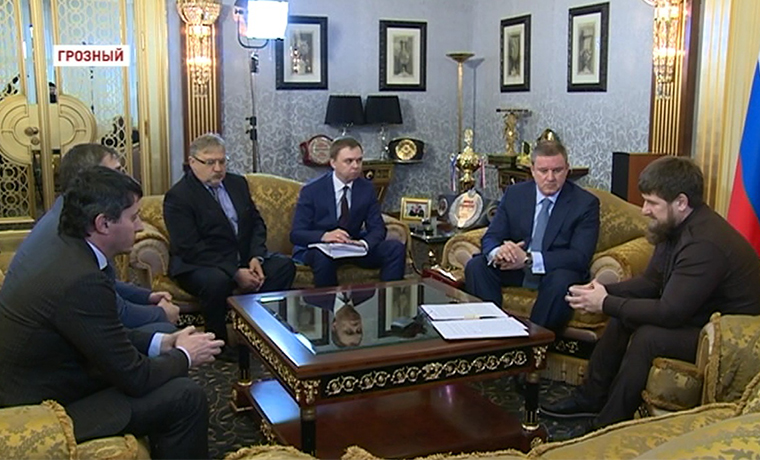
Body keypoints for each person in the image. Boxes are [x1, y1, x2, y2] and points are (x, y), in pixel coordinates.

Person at [0, 166, 224, 459]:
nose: (140, 227)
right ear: (103, 223)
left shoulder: (68, 247)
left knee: (164, 355)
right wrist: (186, 355)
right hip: (46, 407)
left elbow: (100, 333)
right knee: (185, 396)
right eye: (133, 217)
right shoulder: (81, 280)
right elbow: (135, 377)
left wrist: (162, 343)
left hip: (53, 374)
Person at [541, 156, 760, 430]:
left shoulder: (703, 244)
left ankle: (608, 424)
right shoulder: (674, 226)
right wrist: (602, 291)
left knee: (648, 337)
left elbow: (670, 312)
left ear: (681, 202)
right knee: (623, 315)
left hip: (729, 336)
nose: (644, 210)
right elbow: (651, 282)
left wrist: (605, 303)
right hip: (699, 315)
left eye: (652, 203)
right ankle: (590, 398)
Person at [8, 143, 179, 333]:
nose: (122, 179)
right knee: (164, 331)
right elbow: (112, 308)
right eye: (115, 172)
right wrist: (162, 314)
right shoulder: (70, 231)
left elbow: (105, 283)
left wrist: (146, 297)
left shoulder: (68, 212)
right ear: (92, 179)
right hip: (50, 342)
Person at [164, 133, 296, 344]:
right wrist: (234, 271)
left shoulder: (237, 183)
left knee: (283, 266)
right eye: (210, 162)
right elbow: (189, 247)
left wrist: (256, 257)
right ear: (192, 162)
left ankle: (261, 333)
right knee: (217, 281)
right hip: (200, 263)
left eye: (222, 161)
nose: (218, 168)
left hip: (242, 257)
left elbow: (256, 224)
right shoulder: (179, 196)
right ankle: (218, 344)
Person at [464, 140, 600, 332]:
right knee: (477, 266)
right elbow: (491, 236)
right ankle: (490, 333)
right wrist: (499, 252)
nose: (550, 178)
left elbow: (579, 257)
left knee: (562, 280)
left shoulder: (585, 203)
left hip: (553, 271)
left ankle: (536, 341)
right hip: (515, 269)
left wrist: (529, 259)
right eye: (543, 171)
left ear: (567, 170)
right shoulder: (515, 194)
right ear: (533, 170)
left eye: (557, 170)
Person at [290, 137, 406, 287]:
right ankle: (330, 302)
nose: (356, 166)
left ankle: (388, 297)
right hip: (320, 248)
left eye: (359, 160)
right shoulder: (312, 190)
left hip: (353, 246)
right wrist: (325, 236)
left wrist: (363, 244)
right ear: (333, 163)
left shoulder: (366, 188)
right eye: (349, 161)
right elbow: (296, 234)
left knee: (395, 248)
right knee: (322, 257)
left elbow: (378, 229)